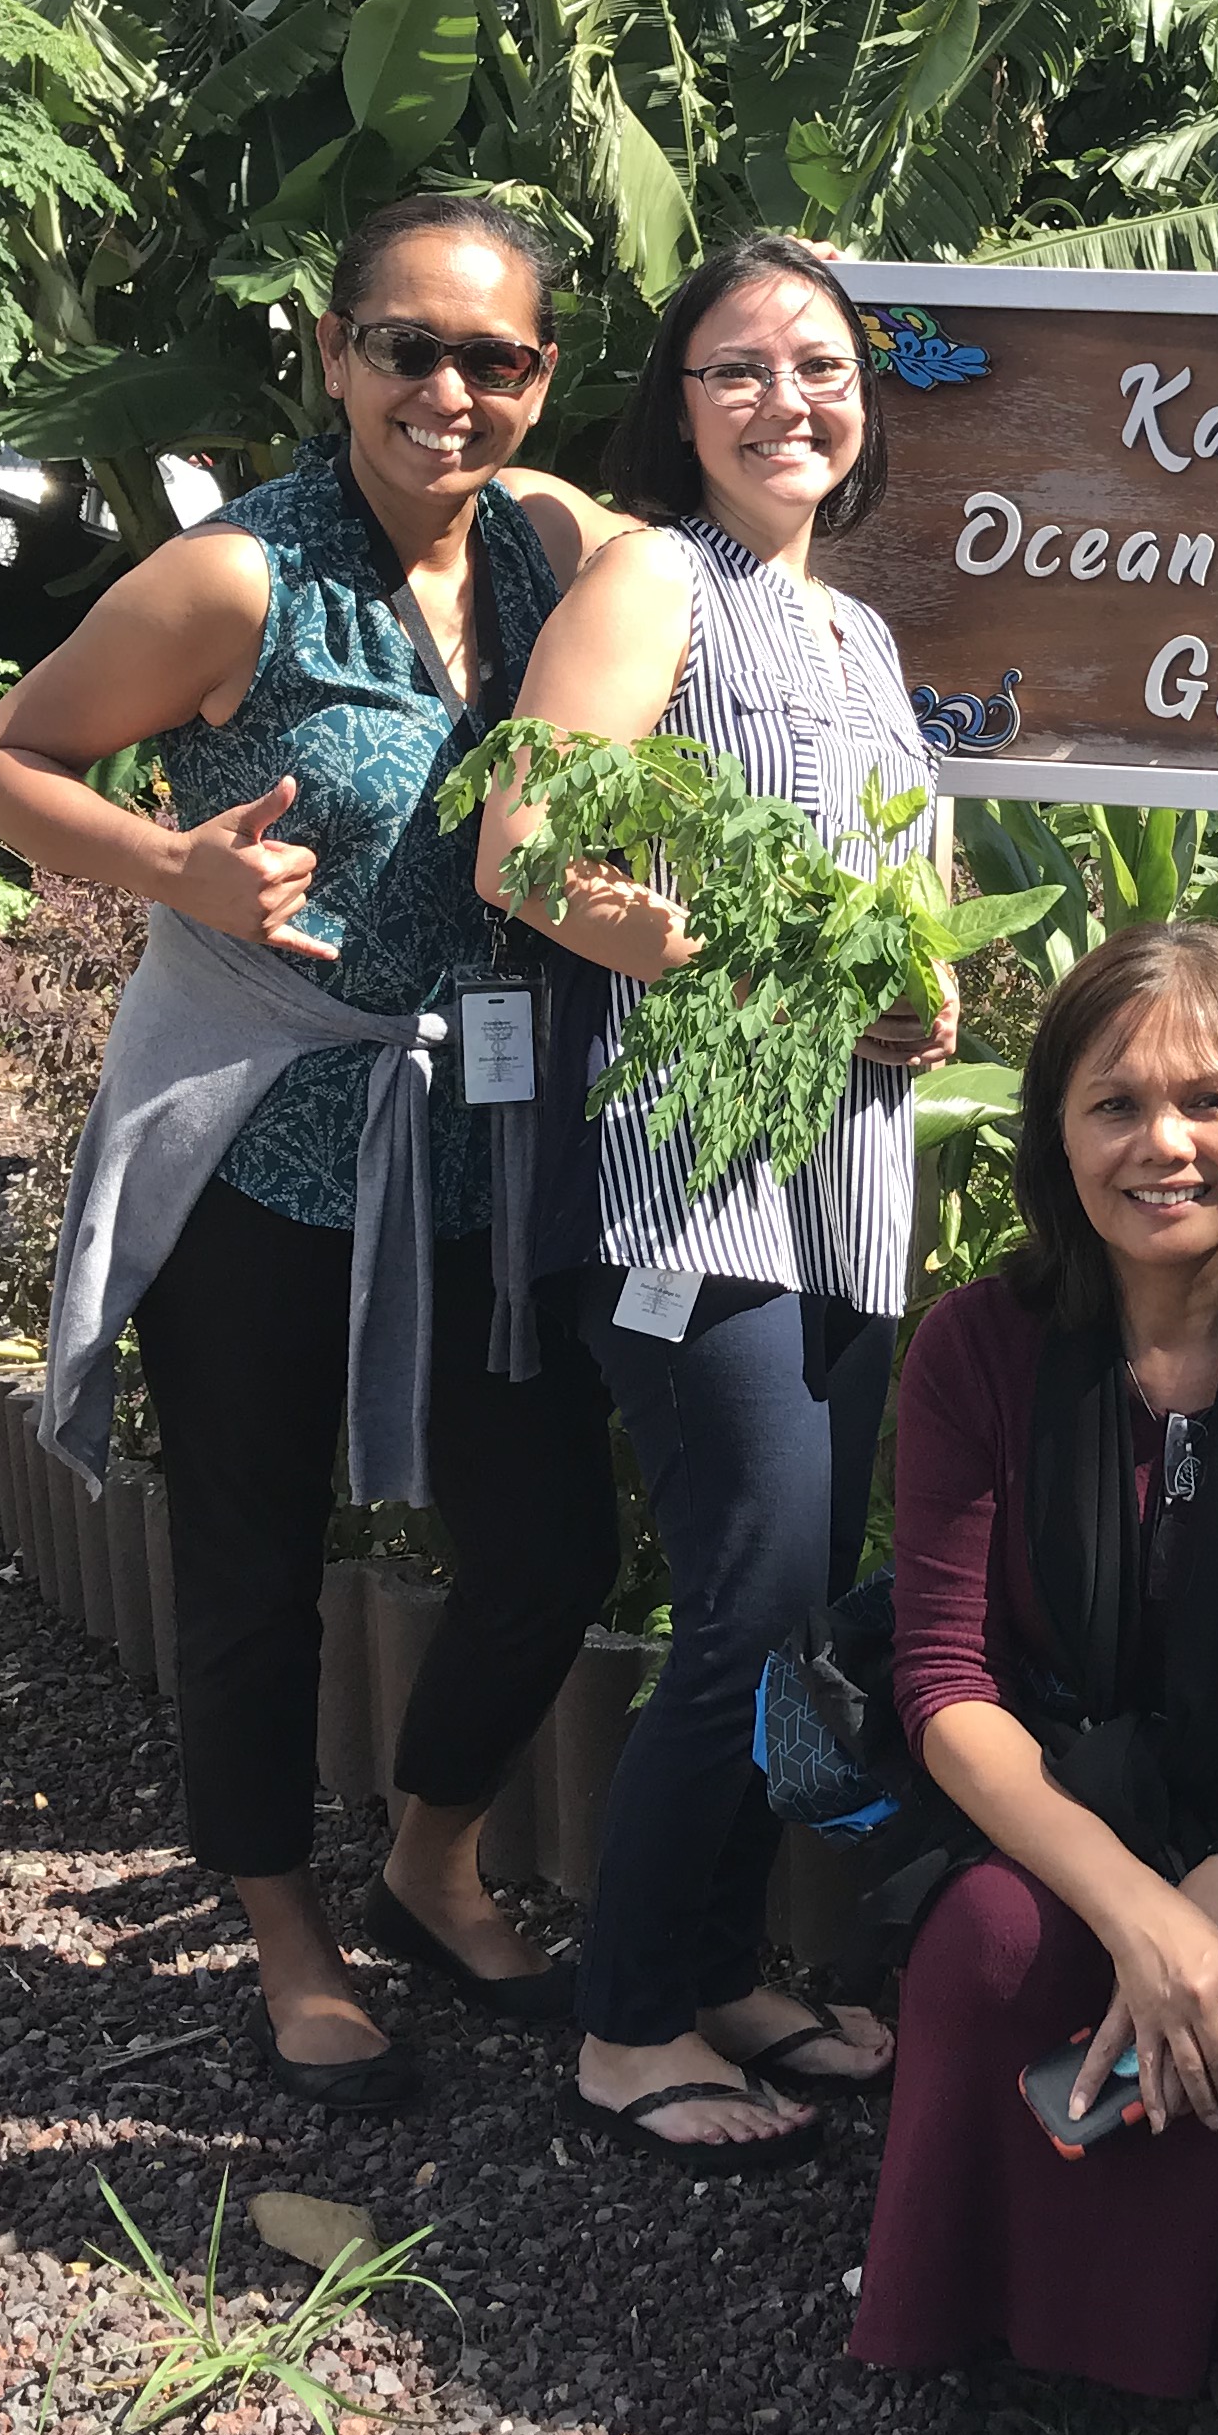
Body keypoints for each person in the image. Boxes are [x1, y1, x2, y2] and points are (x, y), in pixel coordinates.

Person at [0, 193, 644, 2113]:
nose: (448, 390)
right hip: (263, 1141)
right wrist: (173, 865)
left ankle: (431, 1863)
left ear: (541, 381)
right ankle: (283, 1923)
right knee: (257, 1551)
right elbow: (0, 760)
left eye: (494, 358)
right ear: (334, 350)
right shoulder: (239, 579)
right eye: (406, 347)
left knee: (548, 1541)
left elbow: (701, 588)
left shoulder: (553, 550)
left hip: (484, 1145)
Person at [476, 232, 956, 2172]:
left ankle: (726, 1963)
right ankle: (625, 2022)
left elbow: (881, 895)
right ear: (679, 409)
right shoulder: (653, 576)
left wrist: (917, 989)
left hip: (845, 1182)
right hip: (695, 1183)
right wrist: (692, 953)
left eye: (822, 366)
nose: (789, 399)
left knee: (807, 1612)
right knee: (747, 1599)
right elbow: (527, 846)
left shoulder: (861, 636)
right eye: (740, 367)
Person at [848, 923, 1218, 2407]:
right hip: (1063, 1788)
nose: (1162, 1144)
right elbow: (945, 1686)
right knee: (997, 1949)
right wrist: (1136, 1912)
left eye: (1211, 1100)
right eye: (1114, 1104)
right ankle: (1005, 2325)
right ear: (1056, 1132)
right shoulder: (975, 1351)